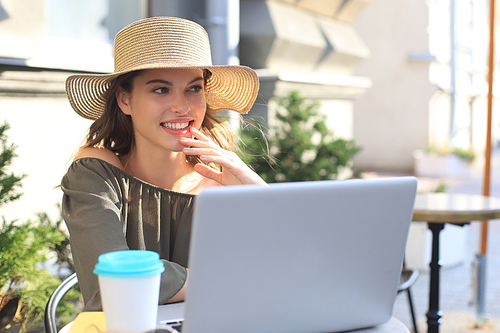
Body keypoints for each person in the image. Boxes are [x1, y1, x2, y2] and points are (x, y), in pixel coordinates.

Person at [61, 16, 266, 311]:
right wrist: (226, 280)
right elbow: (114, 284)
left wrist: (257, 195)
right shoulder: (96, 174)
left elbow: (291, 272)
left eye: (194, 89)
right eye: (160, 89)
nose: (182, 106)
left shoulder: (223, 181)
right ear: (124, 100)